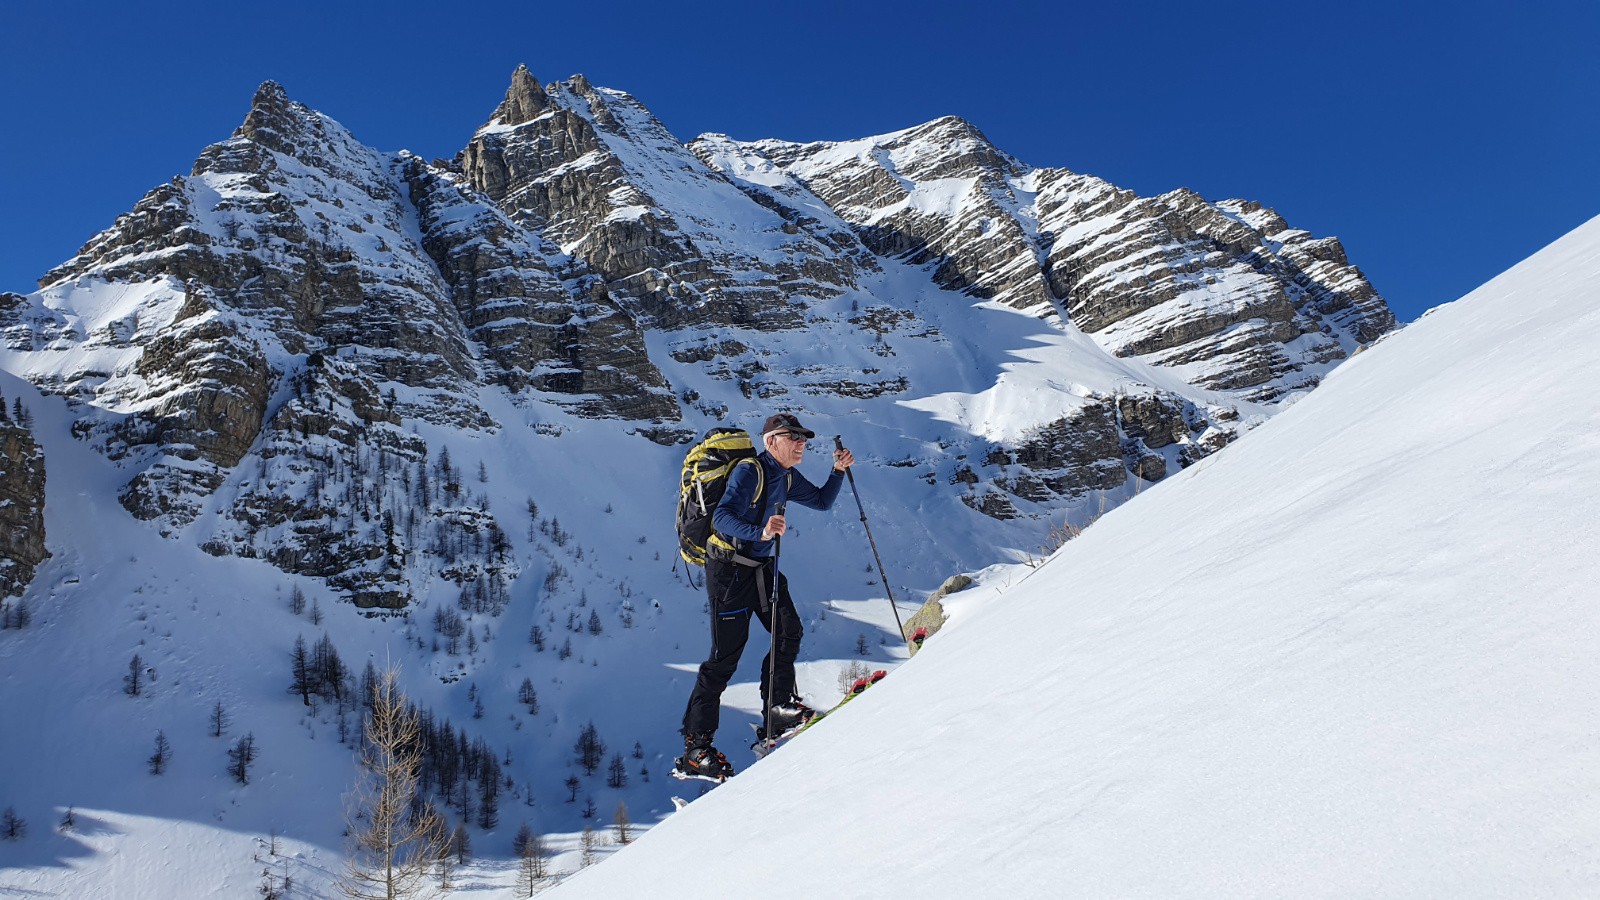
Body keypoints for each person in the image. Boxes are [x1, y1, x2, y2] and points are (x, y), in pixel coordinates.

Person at [675, 413, 855, 780]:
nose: (802, 442)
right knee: (724, 659)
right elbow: (721, 518)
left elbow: (821, 502)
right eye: (794, 437)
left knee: (789, 630)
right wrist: (760, 531)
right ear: (771, 440)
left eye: (804, 438)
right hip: (728, 570)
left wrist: (837, 472)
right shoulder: (750, 471)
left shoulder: (785, 475)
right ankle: (696, 749)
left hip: (759, 566)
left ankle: (776, 708)